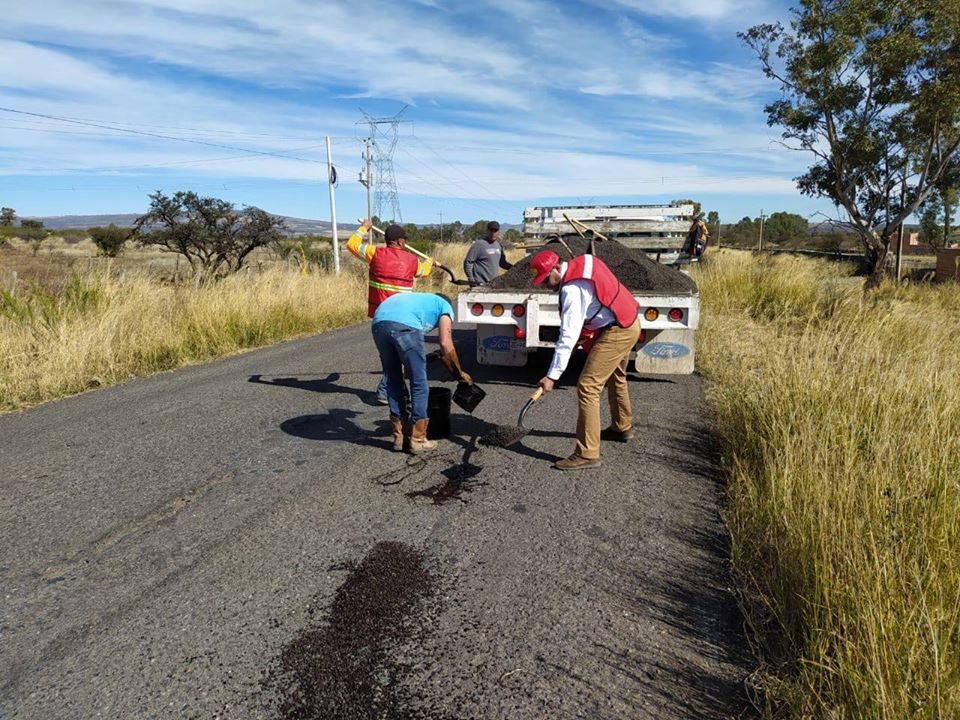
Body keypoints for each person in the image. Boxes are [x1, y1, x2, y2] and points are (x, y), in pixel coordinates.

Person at [529, 250, 640, 471]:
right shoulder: (584, 261)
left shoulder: (571, 289)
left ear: (557, 268)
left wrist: (552, 376)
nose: (546, 286)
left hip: (617, 330)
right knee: (616, 376)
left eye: (546, 279)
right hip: (628, 321)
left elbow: (567, 337)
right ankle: (622, 427)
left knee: (588, 386)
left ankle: (587, 453)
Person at [371, 292, 471, 454]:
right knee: (419, 381)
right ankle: (418, 439)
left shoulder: (419, 301)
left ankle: (399, 437)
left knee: (393, 378)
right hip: (404, 326)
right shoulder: (444, 306)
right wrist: (459, 374)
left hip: (379, 324)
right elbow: (445, 344)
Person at [348, 219, 433, 403]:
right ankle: (386, 391)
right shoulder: (412, 261)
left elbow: (352, 244)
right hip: (402, 317)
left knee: (391, 356)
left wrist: (365, 228)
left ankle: (392, 391)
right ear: (401, 242)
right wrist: (430, 261)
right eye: (404, 240)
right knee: (399, 358)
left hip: (380, 318)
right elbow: (424, 272)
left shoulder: (374, 253)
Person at [463, 221, 513, 286]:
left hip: (493, 285)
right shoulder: (479, 245)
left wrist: (515, 267)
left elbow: (502, 263)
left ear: (498, 232)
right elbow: (468, 262)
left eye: (495, 231)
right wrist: (471, 279)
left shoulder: (498, 246)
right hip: (479, 285)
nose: (493, 233)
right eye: (491, 230)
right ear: (487, 231)